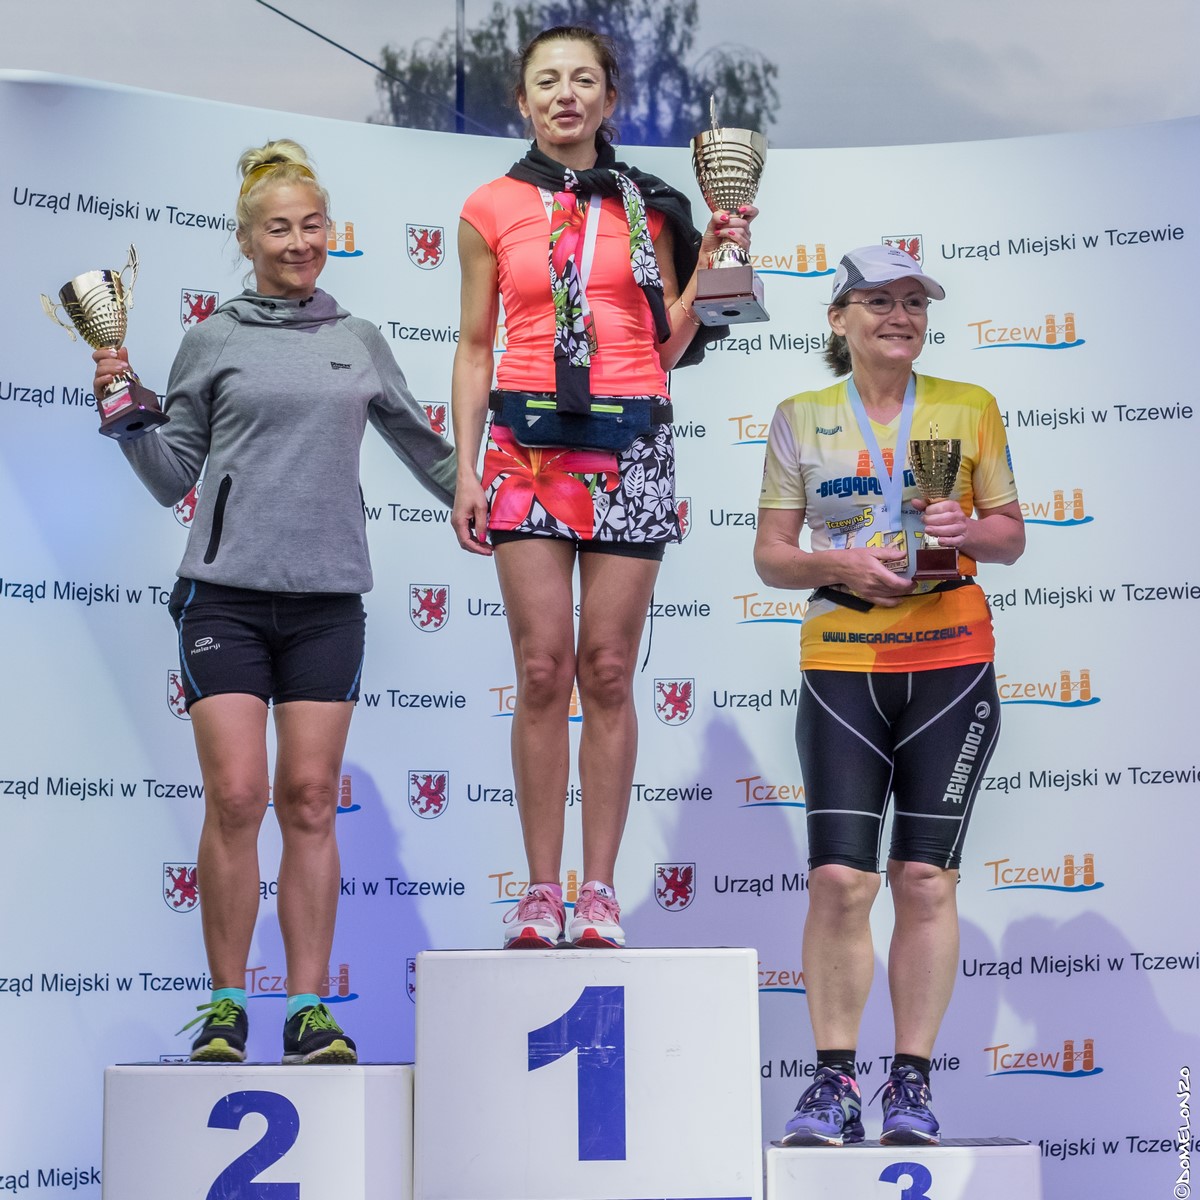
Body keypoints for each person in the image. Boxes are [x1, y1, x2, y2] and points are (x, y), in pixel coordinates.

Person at [92, 139, 456, 1062]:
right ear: (247, 241)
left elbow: (428, 449)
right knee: (237, 797)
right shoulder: (213, 339)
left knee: (310, 799)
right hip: (223, 600)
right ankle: (225, 1004)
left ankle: (307, 1009)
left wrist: (498, 503)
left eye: (312, 226)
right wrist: (126, 417)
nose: (299, 243)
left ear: (330, 232)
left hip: (328, 604)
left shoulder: (357, 339)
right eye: (279, 229)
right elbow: (172, 474)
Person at [451, 25, 754, 949]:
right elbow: (475, 346)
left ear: (609, 100)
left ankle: (598, 893)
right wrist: (463, 467)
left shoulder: (650, 204)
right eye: (547, 81)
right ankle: (540, 890)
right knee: (542, 669)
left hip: (632, 439)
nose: (565, 95)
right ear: (523, 101)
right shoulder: (489, 206)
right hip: (524, 446)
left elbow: (669, 342)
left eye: (584, 80)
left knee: (609, 670)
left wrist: (716, 260)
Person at [754, 244, 1024, 1144]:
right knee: (840, 879)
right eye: (877, 300)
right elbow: (772, 556)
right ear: (839, 319)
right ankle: (833, 1082)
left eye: (914, 301)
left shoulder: (969, 406)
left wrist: (966, 529)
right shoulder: (799, 416)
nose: (900, 316)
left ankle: (910, 1083)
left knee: (924, 879)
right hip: (843, 661)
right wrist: (837, 564)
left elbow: (1010, 536)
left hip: (951, 660)